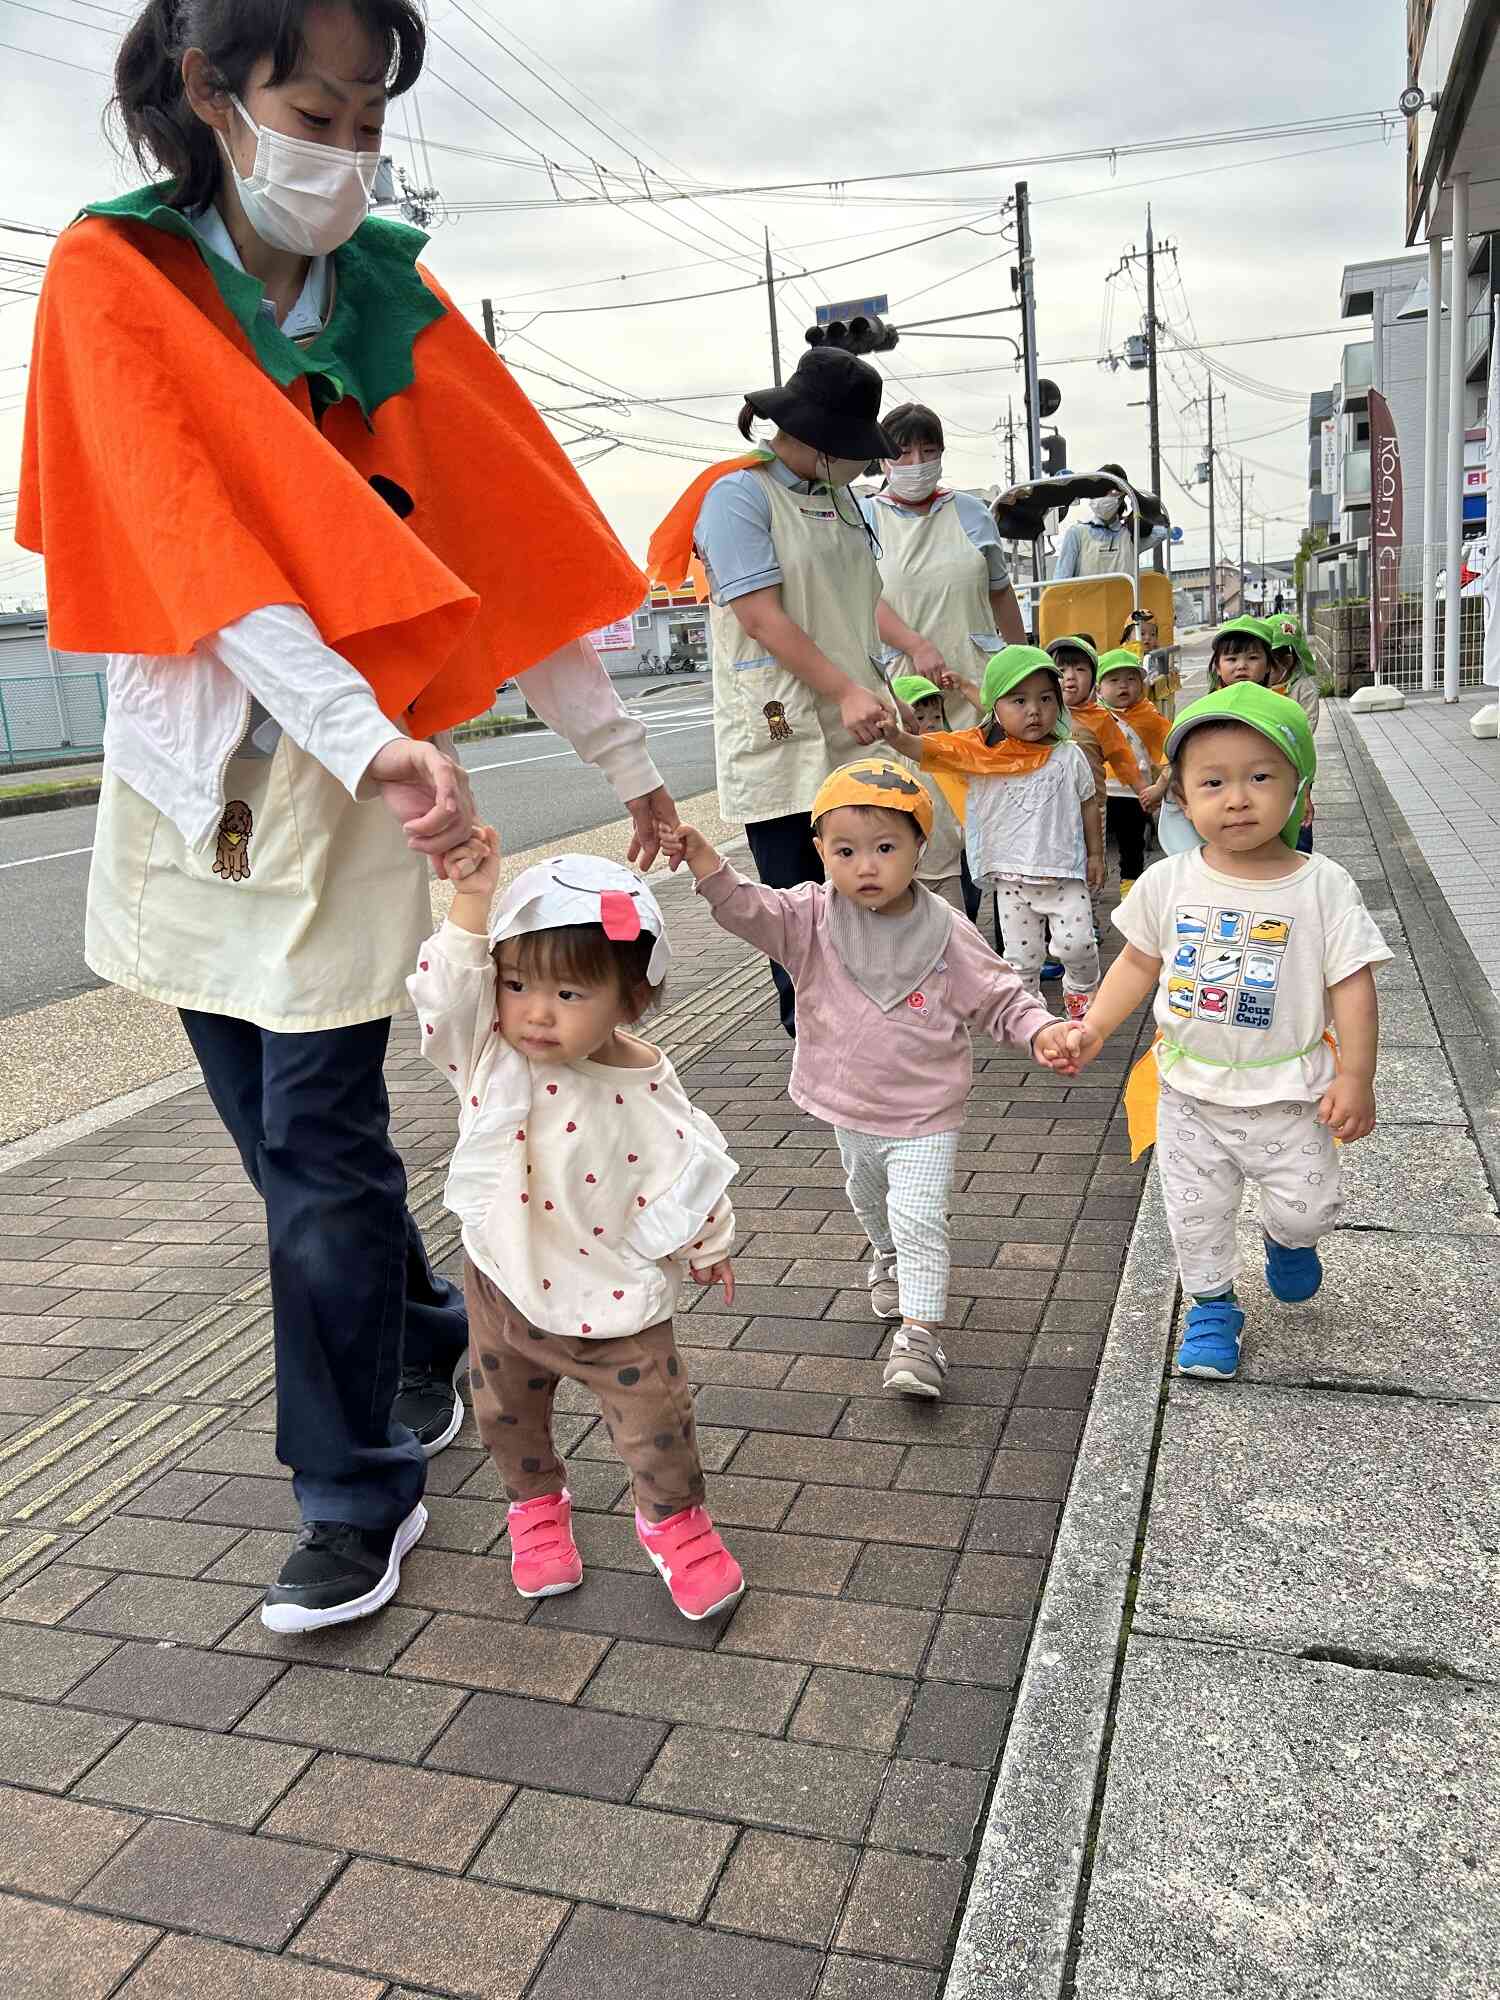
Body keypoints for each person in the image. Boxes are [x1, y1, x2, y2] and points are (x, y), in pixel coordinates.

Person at [17, 0, 679, 1633]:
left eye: (373, 120)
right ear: (208, 91)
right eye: (320, 110)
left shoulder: (391, 293)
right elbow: (196, 552)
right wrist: (359, 728)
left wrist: (633, 762)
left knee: (318, 1147)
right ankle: (430, 1339)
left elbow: (519, 554)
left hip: (347, 805)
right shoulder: (118, 277)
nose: (351, 155)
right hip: (188, 787)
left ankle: (351, 1486)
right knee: (277, 1150)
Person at [408, 842, 745, 1621]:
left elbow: (692, 1167)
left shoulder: (648, 1090)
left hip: (615, 1301)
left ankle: (675, 1523)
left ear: (630, 999)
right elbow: (444, 993)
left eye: (567, 992)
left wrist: (708, 1244)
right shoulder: (490, 1054)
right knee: (505, 1416)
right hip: (505, 1286)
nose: (534, 1011)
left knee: (657, 1425)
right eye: (517, 984)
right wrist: (471, 899)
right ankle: (535, 1509)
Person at [664, 760, 1072, 1401]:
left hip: (927, 1110)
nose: (867, 866)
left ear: (919, 847)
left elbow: (999, 996)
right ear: (820, 851)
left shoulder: (944, 930)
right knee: (870, 1200)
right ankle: (884, 1257)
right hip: (850, 1106)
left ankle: (921, 1336)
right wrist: (707, 862)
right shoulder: (811, 918)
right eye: (846, 851)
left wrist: (1041, 1030)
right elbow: (750, 911)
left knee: (920, 1218)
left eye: (886, 848)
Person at [1064, 684, 1391, 1381]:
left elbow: (1352, 985)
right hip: (1189, 1091)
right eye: (1213, 782)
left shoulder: (1322, 886)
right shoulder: (1168, 881)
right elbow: (1138, 962)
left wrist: (1356, 1076)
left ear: (1299, 791)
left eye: (1260, 777)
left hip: (1292, 1091)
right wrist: (1094, 1025)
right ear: (1181, 796)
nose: (1237, 798)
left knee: (1310, 1207)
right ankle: (1211, 1306)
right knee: (1195, 1216)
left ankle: (1288, 1240)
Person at [647, 348, 941, 1036]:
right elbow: (760, 614)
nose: (860, 465)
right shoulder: (738, 497)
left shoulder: (842, 499)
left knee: (873, 883)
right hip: (783, 725)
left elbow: (858, 603)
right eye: (852, 449)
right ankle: (816, 1039)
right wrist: (843, 688)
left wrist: (883, 682)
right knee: (797, 906)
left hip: (856, 721)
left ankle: (882, 1027)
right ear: (813, 435)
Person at [883, 647, 1102, 1016]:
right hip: (1010, 877)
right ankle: (1030, 1017)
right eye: (1019, 700)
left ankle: (1082, 990)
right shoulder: (977, 754)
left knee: (1078, 945)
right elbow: (924, 748)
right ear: (995, 708)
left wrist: (1096, 854)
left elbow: (1089, 803)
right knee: (1020, 958)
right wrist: (894, 736)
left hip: (1064, 873)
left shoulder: (1069, 755)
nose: (1034, 710)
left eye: (1046, 698)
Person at [862, 401, 1025, 715]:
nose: (917, 462)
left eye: (928, 451)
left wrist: (1021, 665)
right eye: (904, 452)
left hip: (977, 677)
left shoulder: (973, 511)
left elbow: (1001, 592)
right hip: (906, 685)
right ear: (884, 461)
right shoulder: (865, 518)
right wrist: (916, 646)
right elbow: (863, 598)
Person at [887, 672, 979, 918]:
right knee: (912, 927)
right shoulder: (901, 761)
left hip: (948, 866)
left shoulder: (947, 757)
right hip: (911, 872)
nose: (930, 723)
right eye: (919, 717)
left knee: (958, 926)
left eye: (937, 717)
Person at [1095, 651, 1171, 897]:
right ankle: (1091, 902)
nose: (1123, 685)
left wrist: (1160, 787)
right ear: (1098, 687)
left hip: (1135, 794)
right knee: (1092, 849)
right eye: (1114, 680)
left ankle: (1131, 893)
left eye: (1131, 679)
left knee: (1132, 846)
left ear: (1142, 684)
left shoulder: (1149, 716)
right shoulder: (1091, 716)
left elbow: (1170, 750)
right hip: (1099, 793)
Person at [1053, 464, 1168, 580]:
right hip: (1087, 598)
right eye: (1097, 490)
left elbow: (1163, 530)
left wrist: (1135, 501)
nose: (1101, 495)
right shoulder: (1076, 534)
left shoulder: (1130, 536)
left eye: (1108, 490)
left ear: (1122, 495)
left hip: (1125, 598)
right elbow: (1060, 582)